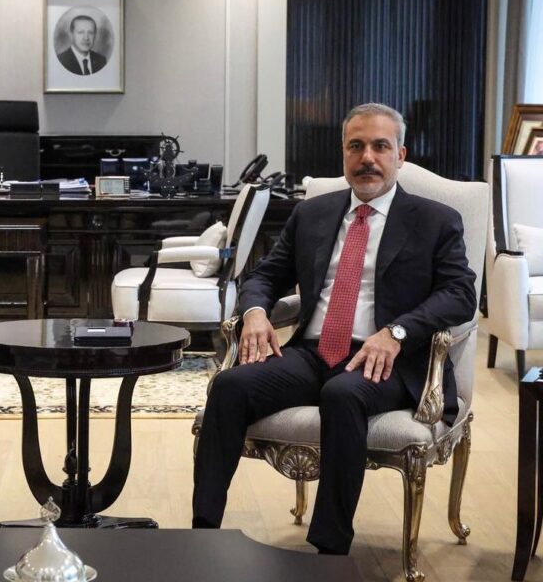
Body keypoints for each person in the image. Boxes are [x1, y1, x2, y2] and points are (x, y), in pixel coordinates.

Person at [192, 102, 476, 555]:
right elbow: (265, 276)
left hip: (388, 362)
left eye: (380, 147)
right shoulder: (313, 214)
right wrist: (256, 313)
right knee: (229, 386)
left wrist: (398, 332)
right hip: (313, 353)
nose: (368, 158)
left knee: (342, 394)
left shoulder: (435, 220)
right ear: (343, 153)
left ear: (400, 155)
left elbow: (460, 294)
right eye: (356, 146)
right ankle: (200, 535)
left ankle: (330, 552)